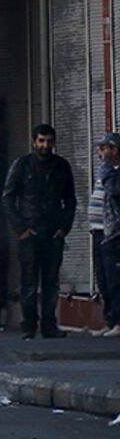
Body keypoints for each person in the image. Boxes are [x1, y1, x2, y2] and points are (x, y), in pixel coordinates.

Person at [2, 124, 77, 340]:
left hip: (53, 232)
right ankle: (29, 326)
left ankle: (49, 325)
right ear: (34, 141)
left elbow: (70, 199)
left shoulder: (61, 166)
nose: (45, 145)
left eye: (49, 141)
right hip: (30, 232)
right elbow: (8, 198)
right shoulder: (22, 165)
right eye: (42, 141)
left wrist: (64, 227)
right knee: (29, 283)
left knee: (51, 282)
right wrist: (21, 229)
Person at [95, 133, 120, 337]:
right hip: (101, 231)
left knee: (115, 280)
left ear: (115, 150)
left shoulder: (112, 173)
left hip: (115, 234)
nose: (100, 153)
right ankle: (110, 320)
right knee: (104, 280)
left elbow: (113, 188)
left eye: (104, 149)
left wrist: (105, 167)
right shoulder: (107, 171)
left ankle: (118, 322)